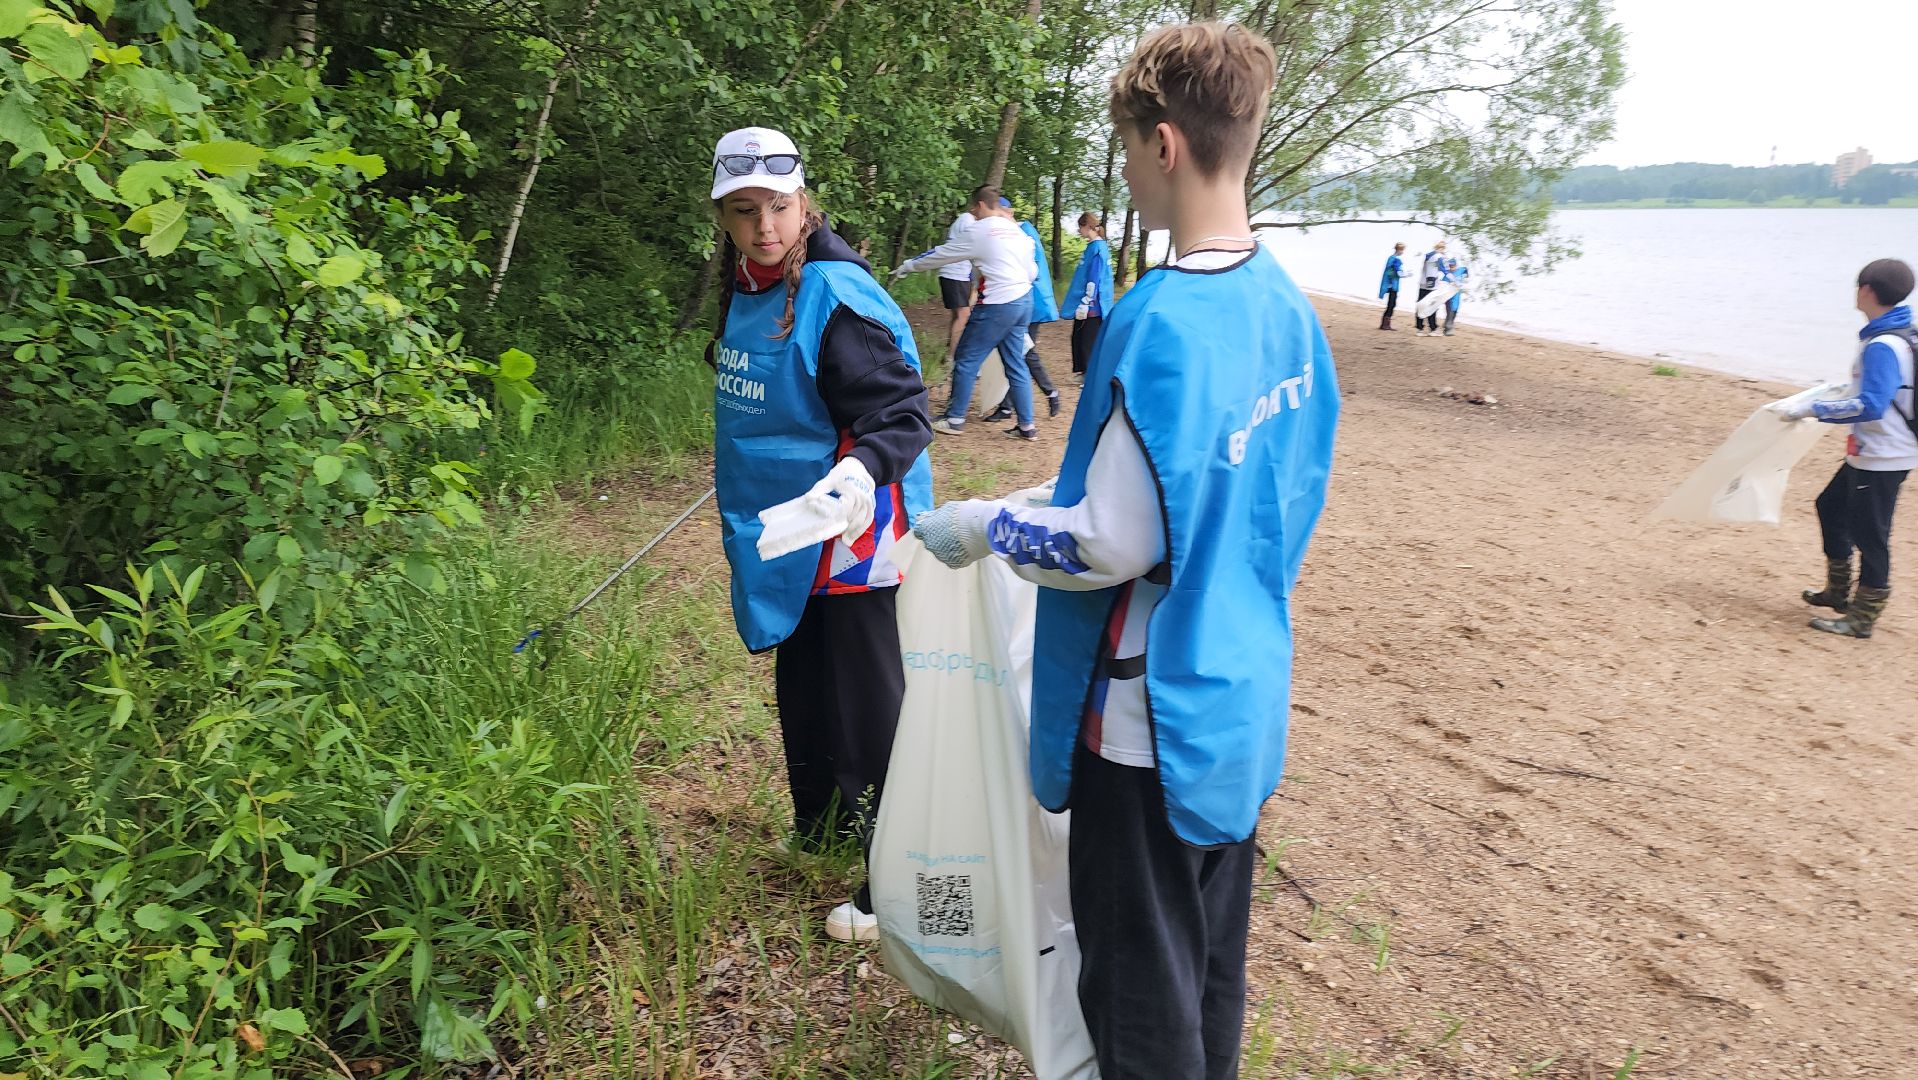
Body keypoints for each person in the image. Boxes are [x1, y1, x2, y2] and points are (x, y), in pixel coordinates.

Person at [912, 23, 1339, 1080]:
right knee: (1205, 964)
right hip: (1239, 691)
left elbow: (1109, 538)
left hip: (1147, 721)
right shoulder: (1285, 307)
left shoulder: (1162, 315)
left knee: (1137, 987)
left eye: (1127, 150)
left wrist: (979, 527)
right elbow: (1246, 489)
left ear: (1162, 144)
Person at [705, 126, 934, 941]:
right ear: (724, 217)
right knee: (804, 681)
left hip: (851, 526)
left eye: (778, 205)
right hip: (786, 525)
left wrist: (860, 470)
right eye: (744, 210)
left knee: (867, 701)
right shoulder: (752, 283)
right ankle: (826, 828)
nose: (765, 225)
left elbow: (901, 412)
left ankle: (898, 880)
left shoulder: (838, 293)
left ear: (804, 200)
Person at [1780, 257, 1916, 639]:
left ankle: (1863, 617)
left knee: (1872, 534)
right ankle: (1838, 592)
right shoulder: (1902, 333)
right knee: (1830, 506)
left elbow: (1871, 404)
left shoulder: (1884, 345)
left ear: (1866, 291)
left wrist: (1811, 409)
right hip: (1875, 448)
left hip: (1884, 453)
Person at [893, 186, 1042, 439]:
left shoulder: (980, 230)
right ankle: (1027, 426)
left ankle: (954, 419)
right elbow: (1032, 272)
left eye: (974, 207)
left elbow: (942, 254)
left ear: (982, 205)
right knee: (1015, 363)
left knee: (966, 358)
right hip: (1023, 300)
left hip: (997, 304)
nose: (972, 212)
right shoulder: (1017, 232)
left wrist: (908, 266)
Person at [986, 199, 1064, 421]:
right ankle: (1008, 406)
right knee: (1016, 352)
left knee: (1024, 353)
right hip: (1022, 301)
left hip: (1029, 302)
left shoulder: (1022, 233)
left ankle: (1049, 392)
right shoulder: (1015, 233)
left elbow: (1028, 271)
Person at [1065, 211, 1116, 376]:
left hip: (1092, 306)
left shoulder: (1097, 249)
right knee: (1078, 338)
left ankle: (1089, 375)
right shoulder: (1095, 247)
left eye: (1080, 227)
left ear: (1087, 226)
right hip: (1090, 304)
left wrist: (1087, 301)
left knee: (1087, 342)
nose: (1079, 231)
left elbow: (1094, 277)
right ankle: (1084, 372)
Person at [936, 203, 978, 359]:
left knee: (958, 315)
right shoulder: (967, 220)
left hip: (957, 273)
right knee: (963, 315)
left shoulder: (965, 220)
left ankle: (950, 349)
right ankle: (953, 357)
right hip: (954, 273)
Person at [1415, 239, 1448, 336]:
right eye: (1443, 249)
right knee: (1432, 307)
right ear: (1441, 248)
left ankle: (1419, 329)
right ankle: (1433, 329)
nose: (1444, 251)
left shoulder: (1428, 255)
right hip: (1432, 286)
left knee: (1421, 305)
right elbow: (1443, 269)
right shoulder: (1438, 257)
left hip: (1422, 283)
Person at [1378, 242, 1405, 331]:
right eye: (1402, 250)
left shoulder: (1391, 258)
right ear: (1399, 249)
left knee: (1391, 304)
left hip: (1391, 283)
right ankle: (1385, 324)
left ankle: (1385, 323)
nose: (1403, 252)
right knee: (1392, 304)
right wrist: (1405, 274)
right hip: (1392, 284)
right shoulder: (1395, 259)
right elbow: (1396, 272)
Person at [1442, 257, 1468, 336]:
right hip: (1448, 296)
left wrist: (1465, 276)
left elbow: (1466, 270)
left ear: (1456, 265)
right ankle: (1448, 329)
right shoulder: (1447, 275)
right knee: (1450, 312)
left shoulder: (1461, 270)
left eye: (1453, 266)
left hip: (1457, 295)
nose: (1452, 268)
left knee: (1455, 311)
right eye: (1450, 266)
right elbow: (1443, 285)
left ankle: (1447, 324)